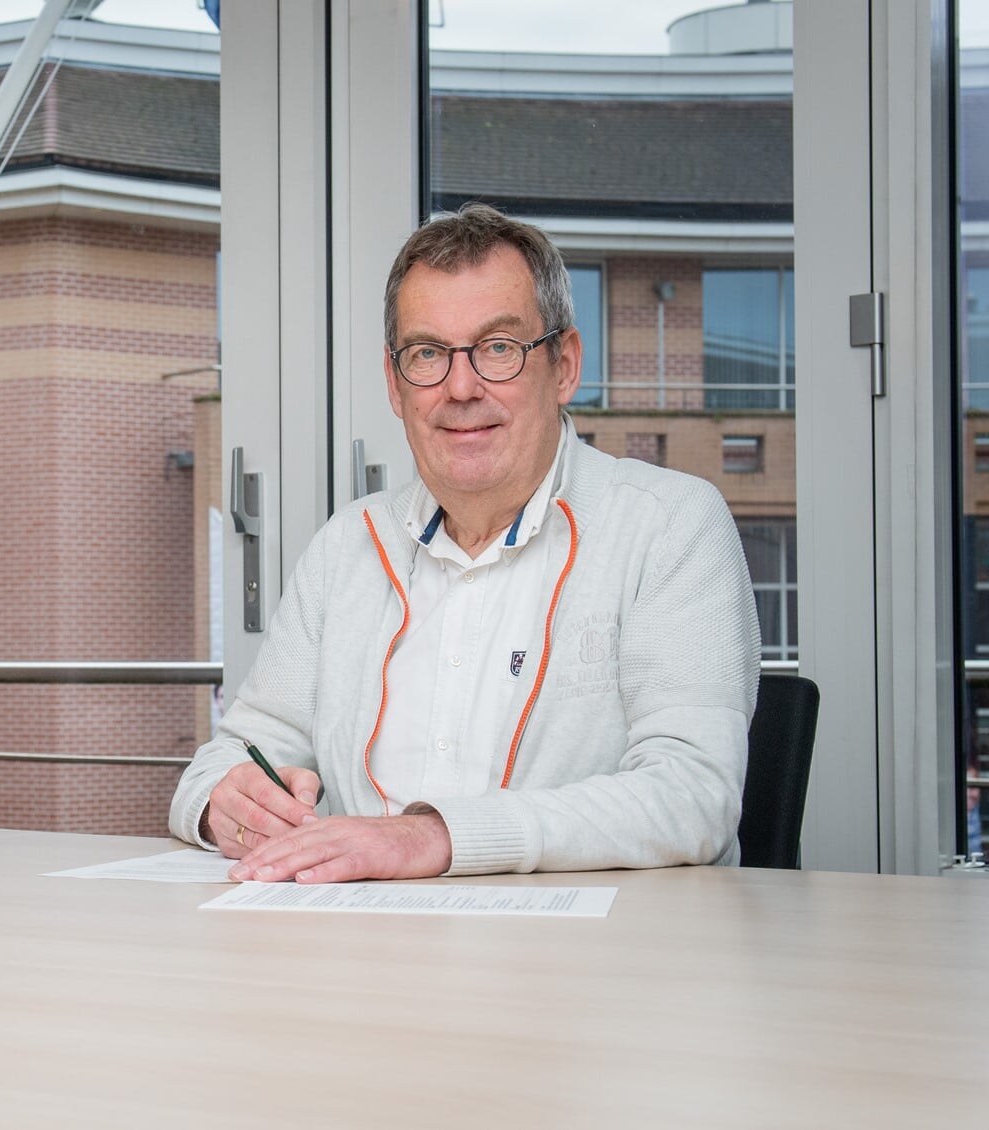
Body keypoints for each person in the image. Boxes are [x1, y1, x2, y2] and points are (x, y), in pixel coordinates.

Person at [171, 203, 760, 880]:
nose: (460, 387)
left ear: (564, 365)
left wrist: (432, 838)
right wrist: (228, 802)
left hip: (589, 963)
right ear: (395, 385)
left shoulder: (669, 525)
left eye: (498, 349)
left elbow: (691, 798)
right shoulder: (346, 548)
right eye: (427, 354)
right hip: (357, 949)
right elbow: (230, 760)